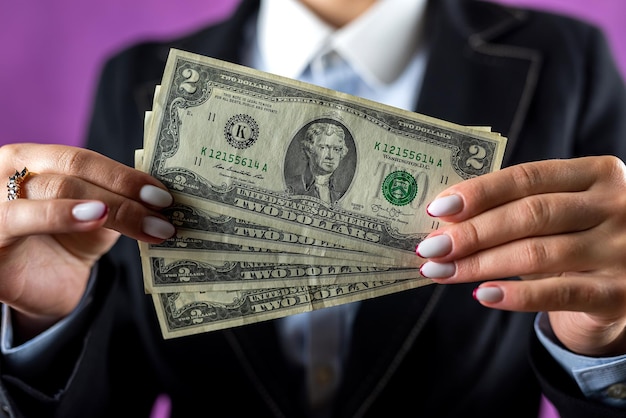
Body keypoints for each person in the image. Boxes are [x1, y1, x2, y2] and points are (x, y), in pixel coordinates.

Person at [0, 0, 625, 417]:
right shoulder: (136, 80)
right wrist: (45, 322)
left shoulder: (568, 61)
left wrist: (606, 340)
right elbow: (112, 384)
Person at [285, 121, 351, 204]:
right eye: (323, 148)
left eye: (336, 149)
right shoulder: (289, 185)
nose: (330, 156)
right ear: (309, 151)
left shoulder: (344, 193)